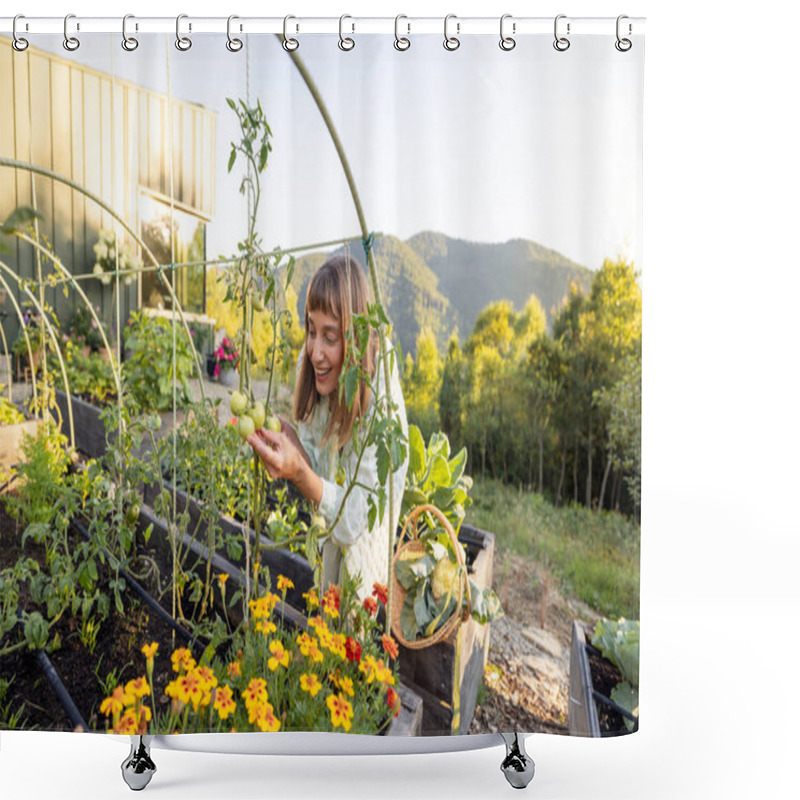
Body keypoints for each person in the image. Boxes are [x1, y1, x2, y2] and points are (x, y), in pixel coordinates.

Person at [246, 254, 408, 602]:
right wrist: (294, 449)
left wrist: (299, 472)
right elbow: (320, 476)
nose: (315, 351)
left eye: (330, 337)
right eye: (310, 330)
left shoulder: (378, 387)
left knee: (351, 634)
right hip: (329, 546)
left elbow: (354, 522)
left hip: (363, 555)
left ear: (355, 340)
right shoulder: (314, 365)